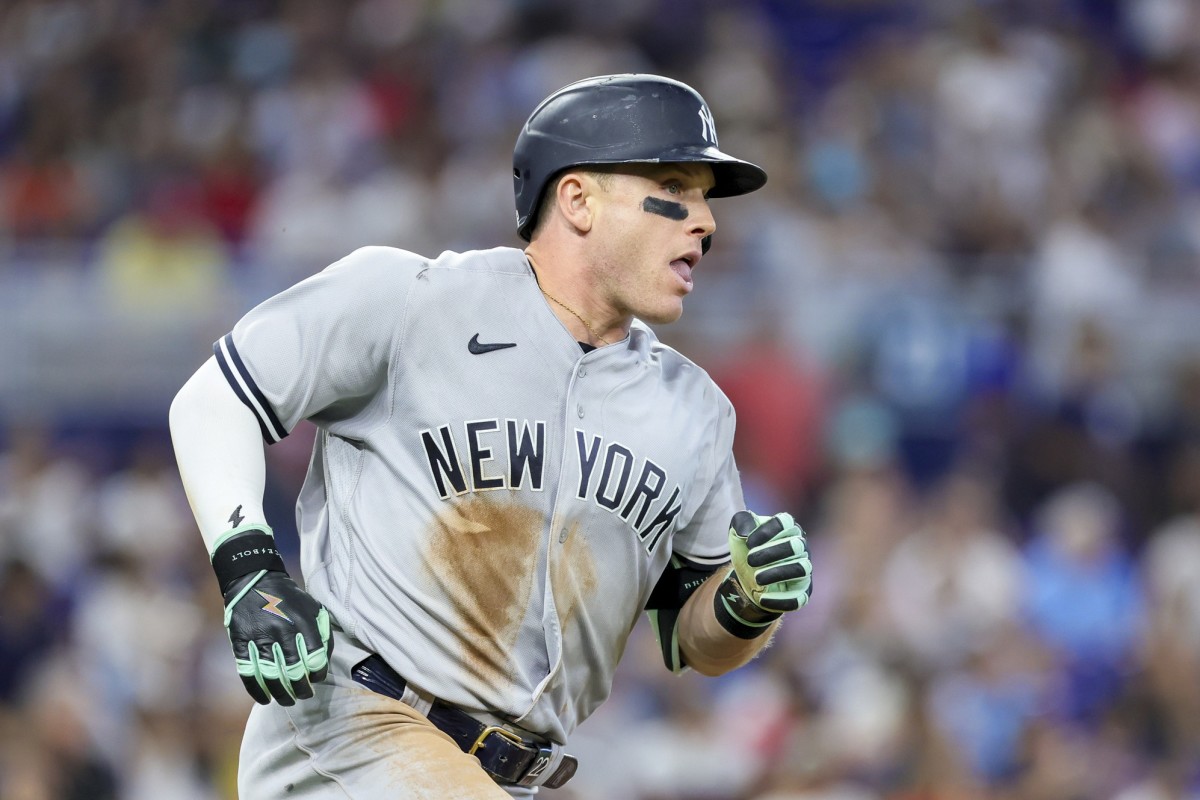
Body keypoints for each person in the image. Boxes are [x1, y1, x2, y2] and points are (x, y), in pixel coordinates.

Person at [169, 73, 813, 798]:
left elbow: (693, 641)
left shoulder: (694, 410)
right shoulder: (413, 301)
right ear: (577, 200)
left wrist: (747, 602)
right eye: (674, 186)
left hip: (512, 776)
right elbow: (214, 398)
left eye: (705, 198)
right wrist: (250, 565)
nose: (705, 221)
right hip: (351, 724)